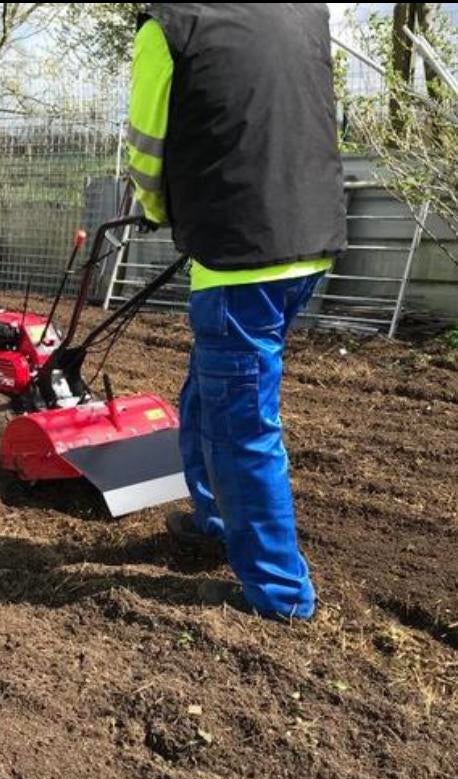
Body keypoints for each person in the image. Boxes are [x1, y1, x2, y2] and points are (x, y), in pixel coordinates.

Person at [128, 3, 346, 620]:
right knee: (207, 393)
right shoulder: (303, 12)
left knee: (242, 427)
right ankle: (214, 521)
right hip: (309, 239)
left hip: (241, 258)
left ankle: (280, 597)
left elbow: (146, 149)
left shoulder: (168, 26)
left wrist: (155, 209)